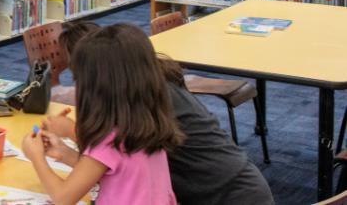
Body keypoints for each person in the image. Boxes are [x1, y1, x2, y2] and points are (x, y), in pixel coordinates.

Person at [47, 21, 274, 205]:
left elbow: (109, 148)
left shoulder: (147, 101)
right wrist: (66, 149)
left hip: (226, 195)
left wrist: (72, 130)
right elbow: (117, 161)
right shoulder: (144, 88)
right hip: (218, 188)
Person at [21, 23, 183, 205]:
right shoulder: (148, 123)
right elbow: (108, 172)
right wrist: (63, 152)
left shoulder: (108, 140)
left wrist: (36, 157)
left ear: (94, 90)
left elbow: (62, 198)